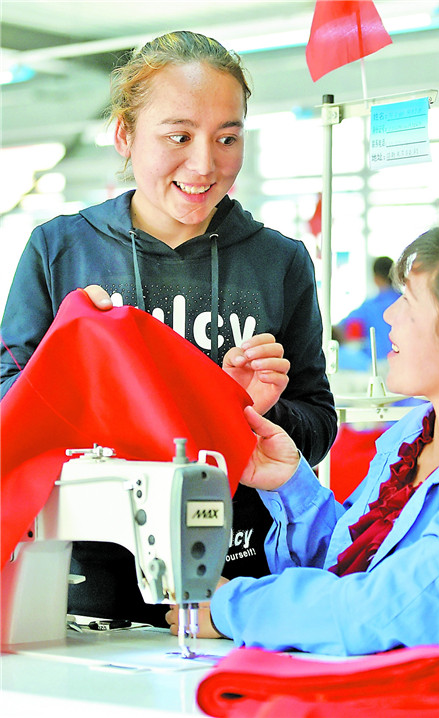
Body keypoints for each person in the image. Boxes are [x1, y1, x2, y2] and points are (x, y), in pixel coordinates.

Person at [0, 31, 336, 623]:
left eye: (227, 138)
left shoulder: (279, 262)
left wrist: (252, 411)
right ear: (125, 136)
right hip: (81, 586)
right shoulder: (60, 250)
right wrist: (73, 360)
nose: (205, 165)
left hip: (231, 587)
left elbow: (317, 424)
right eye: (178, 136)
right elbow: (10, 408)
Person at [167, 206, 439, 655]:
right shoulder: (415, 437)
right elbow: (357, 562)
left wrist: (232, 606)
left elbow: (381, 611)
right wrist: (290, 483)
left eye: (409, 302)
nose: (389, 314)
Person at [334, 255, 401, 370]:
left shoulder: (369, 307)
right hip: (404, 364)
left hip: (378, 366)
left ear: (376, 278)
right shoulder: (406, 301)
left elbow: (339, 329)